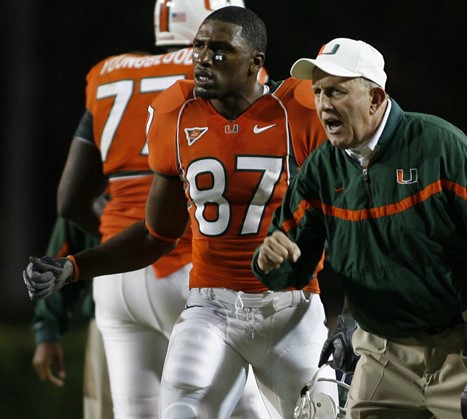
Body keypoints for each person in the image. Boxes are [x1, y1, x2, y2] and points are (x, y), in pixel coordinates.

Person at [23, 6, 337, 419]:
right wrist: (73, 267)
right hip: (211, 306)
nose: (204, 58)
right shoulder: (177, 114)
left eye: (221, 49)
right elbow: (157, 235)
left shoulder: (299, 110)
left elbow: (348, 219)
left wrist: (351, 308)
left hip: (289, 308)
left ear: (255, 64)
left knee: (323, 412)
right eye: (201, 46)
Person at [252, 37, 467, 418]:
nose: (323, 104)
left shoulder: (440, 147)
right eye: (319, 92)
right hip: (381, 353)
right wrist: (269, 261)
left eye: (337, 91)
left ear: (375, 98)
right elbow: (292, 267)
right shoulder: (322, 168)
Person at [31, 214, 113, 419]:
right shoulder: (98, 191)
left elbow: (69, 202)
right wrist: (48, 327)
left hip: (115, 313)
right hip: (111, 314)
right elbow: (69, 237)